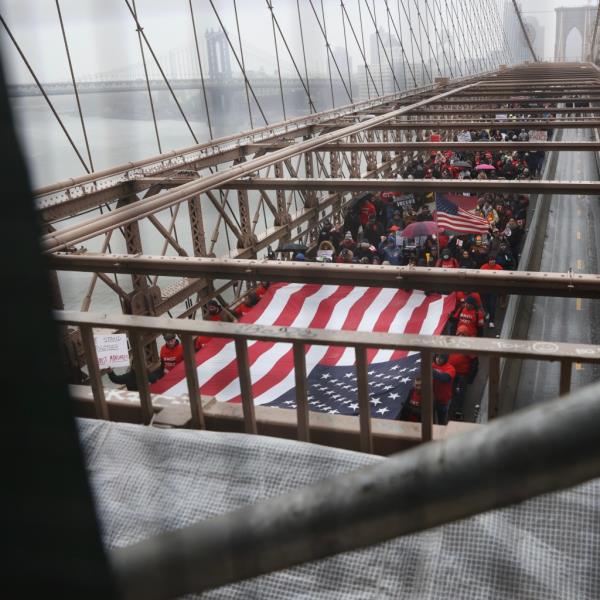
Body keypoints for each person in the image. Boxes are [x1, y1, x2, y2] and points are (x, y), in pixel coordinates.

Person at [480, 255, 503, 328]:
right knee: (485, 304)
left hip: (494, 289)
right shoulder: (483, 267)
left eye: (493, 260)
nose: (492, 261)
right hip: (484, 289)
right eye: (490, 260)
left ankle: (491, 321)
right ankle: (488, 313)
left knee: (492, 305)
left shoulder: (499, 268)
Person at [432, 354, 455, 426]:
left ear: (445, 359)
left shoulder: (450, 368)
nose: (438, 359)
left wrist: (428, 369)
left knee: (442, 421)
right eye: (437, 357)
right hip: (432, 398)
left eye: (441, 358)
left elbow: (444, 378)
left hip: (443, 400)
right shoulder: (432, 365)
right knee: (431, 420)